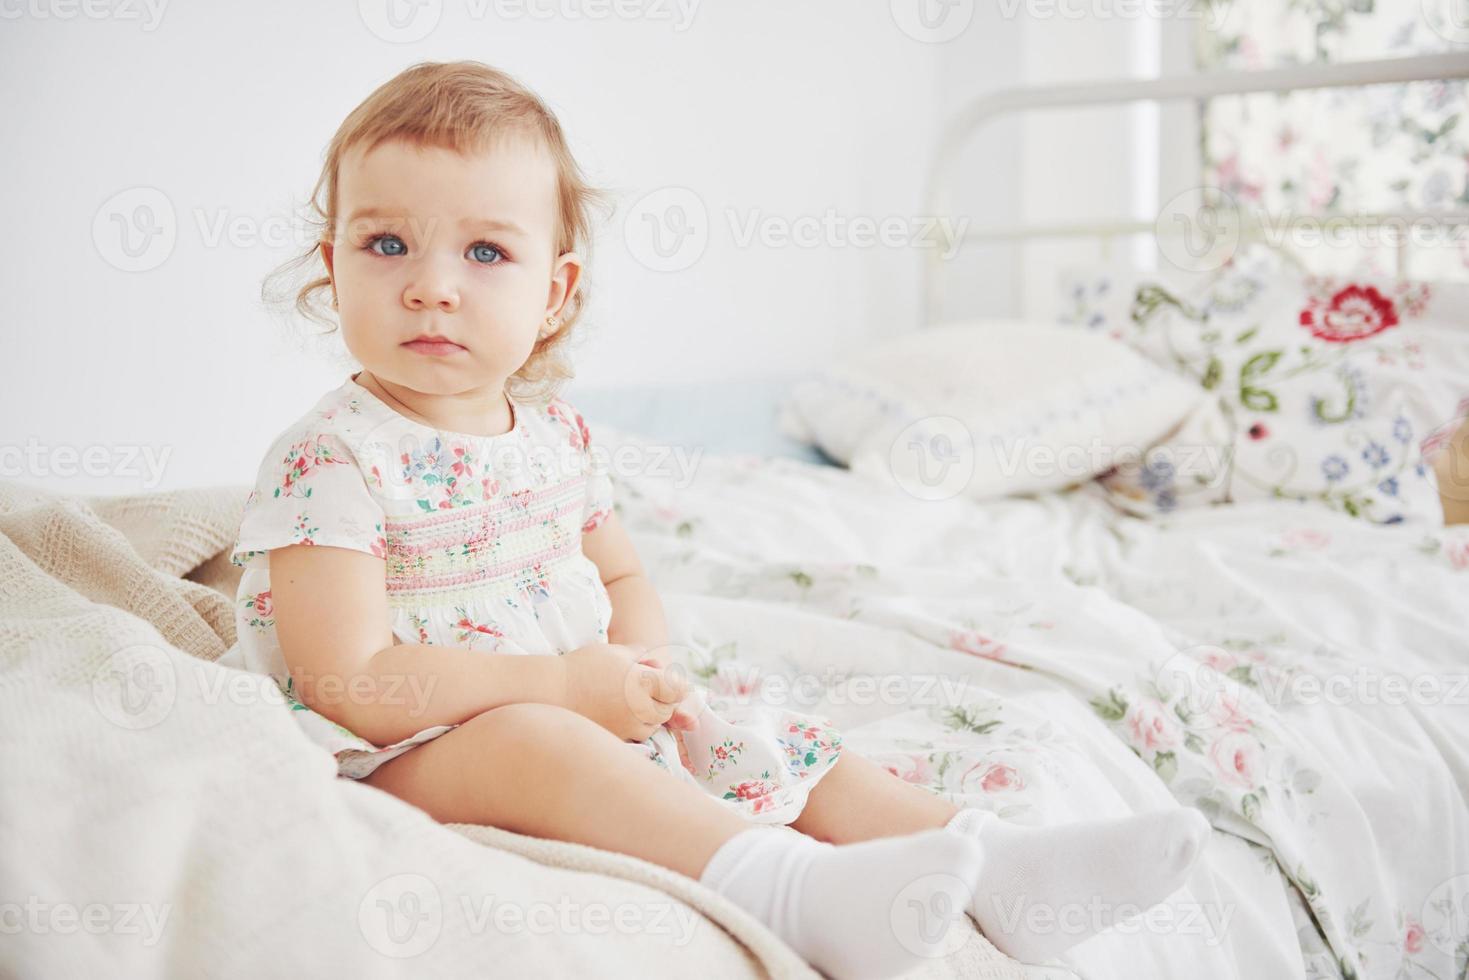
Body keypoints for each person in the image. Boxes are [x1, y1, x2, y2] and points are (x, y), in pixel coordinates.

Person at [225, 60, 1209, 979]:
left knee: (754, 718)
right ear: (333, 262)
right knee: (534, 737)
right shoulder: (333, 459)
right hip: (404, 754)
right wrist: (565, 687)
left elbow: (617, 576)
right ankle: (789, 887)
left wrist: (641, 672)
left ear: (554, 293)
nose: (431, 282)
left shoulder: (554, 434)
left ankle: (990, 855)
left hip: (569, 696)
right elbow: (349, 677)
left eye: (485, 250)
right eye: (384, 242)